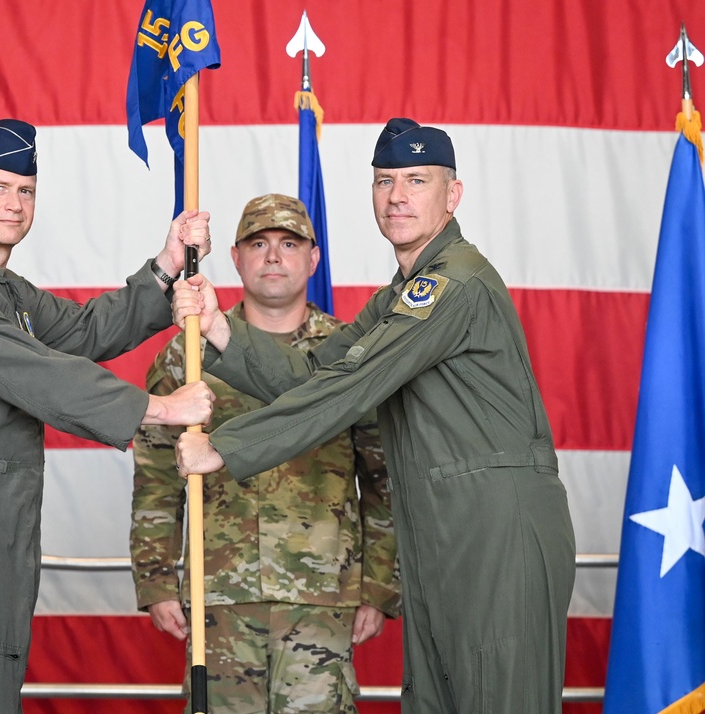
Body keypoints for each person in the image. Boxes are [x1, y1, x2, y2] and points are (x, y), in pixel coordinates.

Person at [172, 118, 577, 714]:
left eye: (417, 180)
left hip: (494, 525)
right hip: (443, 526)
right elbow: (315, 370)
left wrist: (225, 448)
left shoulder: (452, 283)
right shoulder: (401, 293)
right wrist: (219, 328)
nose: (398, 197)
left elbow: (353, 385)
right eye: (385, 181)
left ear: (452, 194)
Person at [0, 118, 216, 713]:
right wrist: (158, 407)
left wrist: (163, 268)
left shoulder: (0, 289)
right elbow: (37, 374)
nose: (14, 204)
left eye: (25, 190)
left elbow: (80, 332)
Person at [130, 194, 401, 713]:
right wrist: (157, 579)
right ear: (235, 257)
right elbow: (158, 479)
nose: (273, 256)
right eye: (259, 243)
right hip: (219, 595)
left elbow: (383, 479)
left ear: (313, 259)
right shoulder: (188, 351)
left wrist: (378, 586)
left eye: (289, 243)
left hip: (322, 593)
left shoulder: (350, 355)